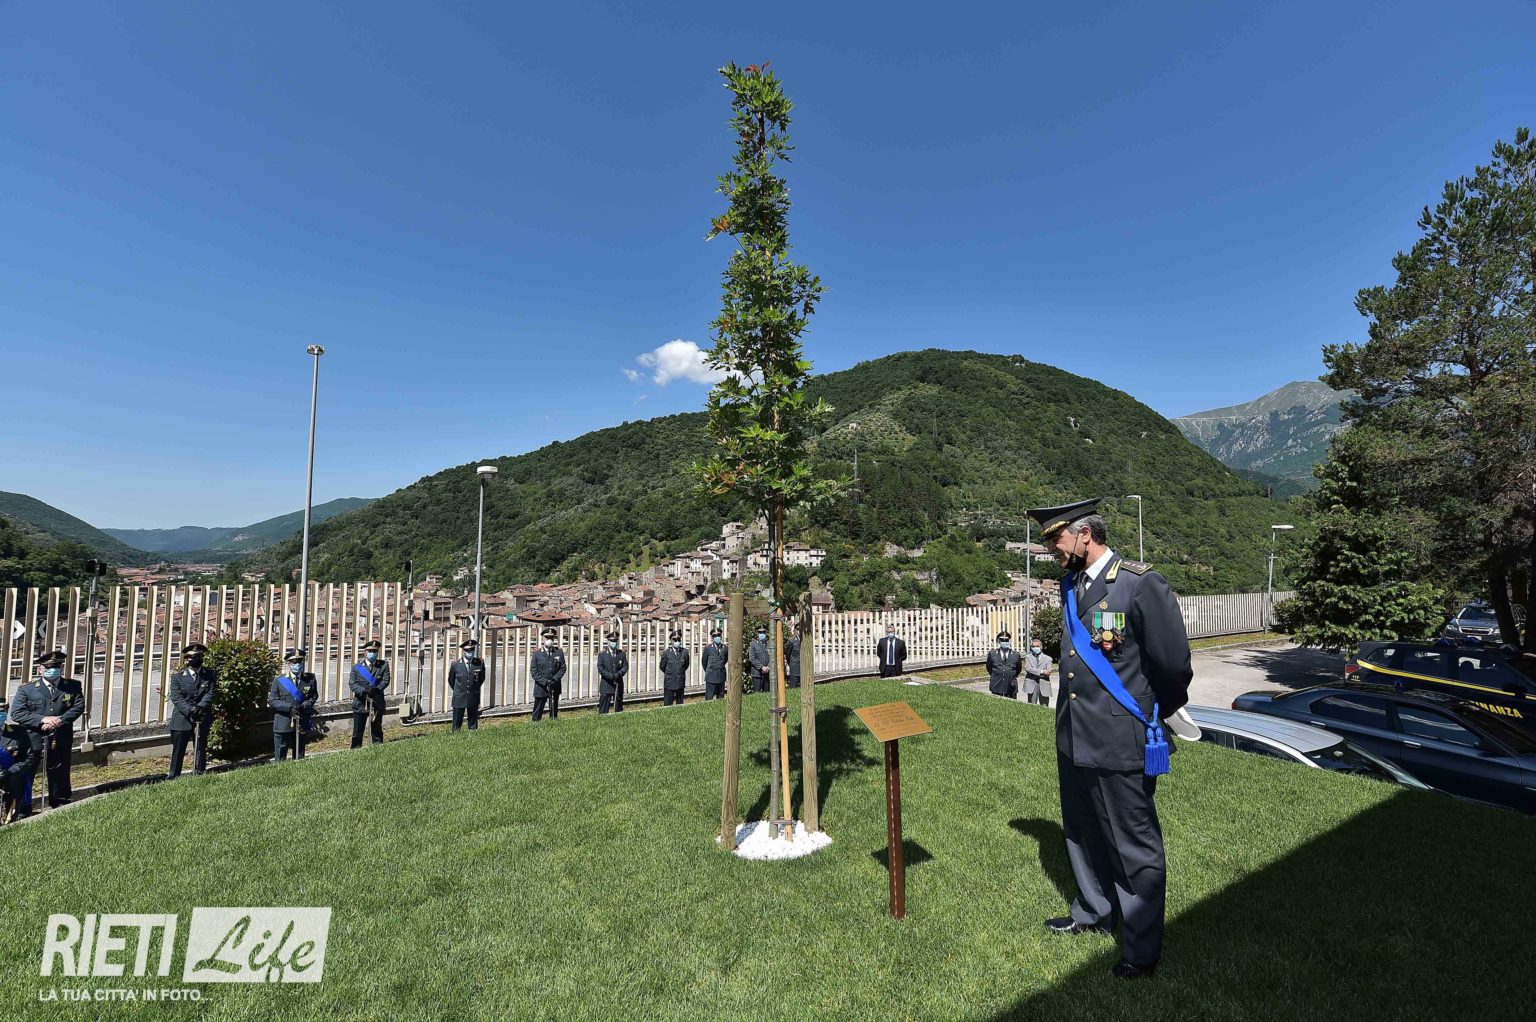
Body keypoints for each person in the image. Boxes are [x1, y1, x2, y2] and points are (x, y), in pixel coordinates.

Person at [1025, 498, 1193, 981]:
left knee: (1132, 844)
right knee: (1082, 830)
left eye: (1056, 539)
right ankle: (1093, 911)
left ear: (1084, 534)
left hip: (1121, 738)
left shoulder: (1140, 584)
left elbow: (1174, 667)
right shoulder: (1072, 584)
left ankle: (1141, 949)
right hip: (1074, 736)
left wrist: (1144, 715)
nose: (1052, 550)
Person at [168, 642, 217, 778]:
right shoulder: (177, 676)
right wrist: (191, 710)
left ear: (201, 658)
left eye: (196, 657)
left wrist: (201, 707)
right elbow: (176, 697)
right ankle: (174, 775)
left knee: (200, 747)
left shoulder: (210, 674)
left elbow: (211, 693)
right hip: (182, 718)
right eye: (189, 657)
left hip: (202, 716)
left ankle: (199, 773)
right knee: (178, 749)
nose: (192, 660)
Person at [270, 649, 318, 763]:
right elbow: (272, 700)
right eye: (294, 662)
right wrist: (290, 707)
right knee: (281, 754)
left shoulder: (310, 679)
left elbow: (314, 696)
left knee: (299, 753)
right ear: (288, 664)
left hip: (302, 719)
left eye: (299, 662)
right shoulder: (279, 680)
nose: (297, 665)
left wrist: (305, 705)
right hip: (284, 721)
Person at [349, 639, 390, 748]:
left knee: (377, 730)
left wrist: (376, 690)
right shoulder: (356, 668)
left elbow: (386, 680)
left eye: (375, 651)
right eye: (370, 651)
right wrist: (364, 691)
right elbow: (352, 684)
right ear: (365, 653)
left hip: (376, 702)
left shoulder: (383, 665)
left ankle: (378, 750)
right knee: (357, 732)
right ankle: (356, 751)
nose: (372, 653)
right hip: (360, 703)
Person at [448, 638, 486, 731]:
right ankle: (456, 736)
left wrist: (473, 688)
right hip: (459, 695)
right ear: (463, 651)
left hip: (473, 695)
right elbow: (451, 680)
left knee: (473, 723)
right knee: (456, 723)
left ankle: (472, 736)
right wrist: (460, 689)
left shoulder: (479, 663)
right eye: (468, 650)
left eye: (472, 650)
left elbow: (481, 678)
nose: (470, 652)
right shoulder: (455, 664)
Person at [530, 628, 566, 721]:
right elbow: (534, 671)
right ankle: (535, 723)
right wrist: (545, 682)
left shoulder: (558, 652)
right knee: (538, 707)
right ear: (543, 639)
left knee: (553, 708)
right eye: (547, 638)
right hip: (541, 685)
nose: (550, 640)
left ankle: (553, 723)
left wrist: (554, 679)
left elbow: (562, 668)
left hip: (555, 684)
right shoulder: (537, 653)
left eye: (552, 638)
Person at [597, 633, 629, 714]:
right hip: (606, 683)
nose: (614, 643)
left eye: (615, 641)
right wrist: (610, 676)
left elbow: (625, 666)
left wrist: (618, 674)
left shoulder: (621, 654)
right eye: (612, 641)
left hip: (618, 683)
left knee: (618, 707)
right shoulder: (602, 654)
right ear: (608, 642)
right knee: (603, 709)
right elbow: (600, 668)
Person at [986, 630, 1022, 699]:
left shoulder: (1016, 655)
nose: (1005, 642)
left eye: (1006, 640)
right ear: (999, 641)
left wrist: (1010, 675)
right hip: (996, 685)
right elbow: (989, 667)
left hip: (1011, 685)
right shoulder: (992, 654)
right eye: (1002, 640)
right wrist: (997, 674)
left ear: (1009, 641)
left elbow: (1018, 669)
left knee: (1011, 704)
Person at [659, 631, 690, 706]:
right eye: (674, 640)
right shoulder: (666, 653)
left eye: (678, 639)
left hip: (680, 682)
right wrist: (671, 673)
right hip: (669, 683)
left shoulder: (685, 652)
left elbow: (686, 665)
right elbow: (662, 666)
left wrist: (679, 672)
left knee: (680, 705)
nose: (677, 641)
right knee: (668, 705)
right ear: (671, 640)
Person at [1023, 635, 1054, 706]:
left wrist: (1034, 671)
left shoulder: (1048, 658)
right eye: (1033, 646)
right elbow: (1028, 668)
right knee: (1031, 706)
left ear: (1041, 647)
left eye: (1037, 646)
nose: (1035, 648)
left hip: (1044, 684)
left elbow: (1048, 672)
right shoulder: (1028, 657)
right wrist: (1042, 671)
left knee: (1044, 706)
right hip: (1031, 684)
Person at [701, 628, 729, 700]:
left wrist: (719, 666)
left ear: (721, 636)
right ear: (712, 637)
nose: (717, 637)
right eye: (715, 636)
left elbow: (725, 659)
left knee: (720, 698)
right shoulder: (708, 648)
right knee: (709, 698)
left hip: (721, 676)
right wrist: (709, 670)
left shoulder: (725, 648)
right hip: (711, 677)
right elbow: (704, 662)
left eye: (718, 635)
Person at [747, 626, 772, 693]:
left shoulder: (770, 644)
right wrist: (761, 667)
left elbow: (773, 657)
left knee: (766, 693)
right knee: (756, 693)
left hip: (767, 672)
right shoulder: (753, 644)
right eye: (760, 632)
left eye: (763, 632)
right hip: (757, 673)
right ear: (757, 634)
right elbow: (752, 658)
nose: (762, 634)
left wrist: (768, 667)